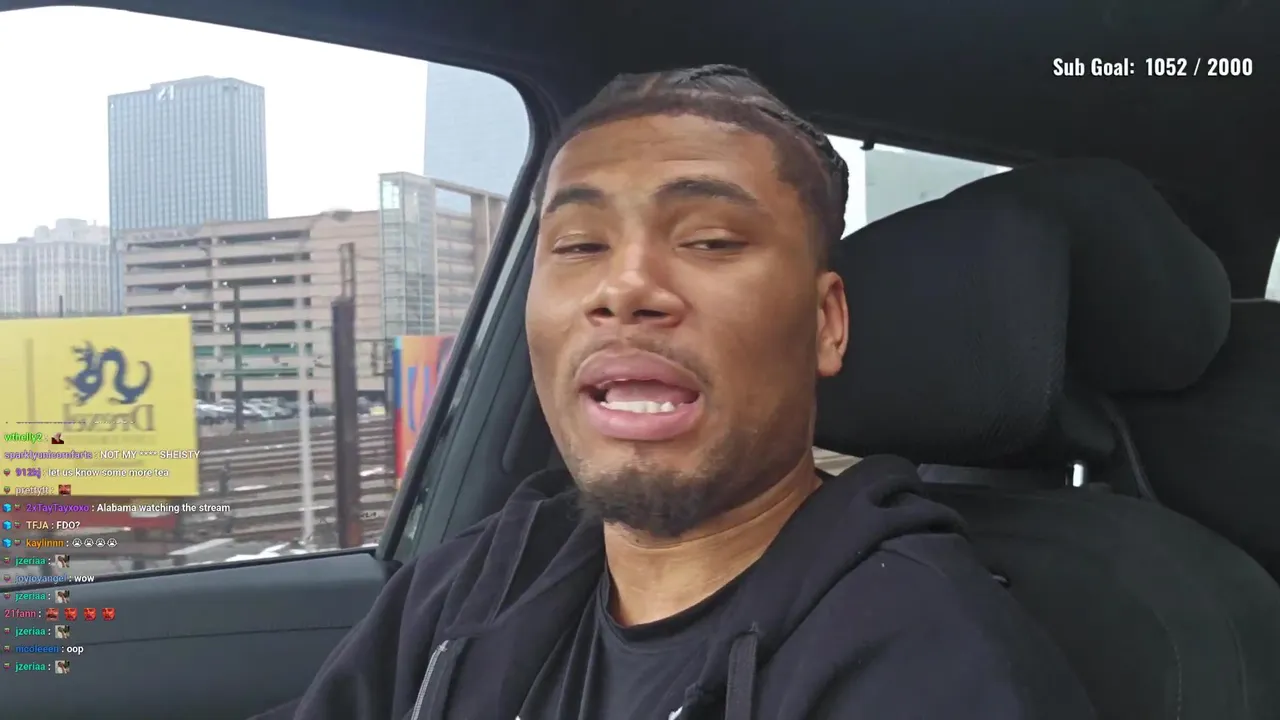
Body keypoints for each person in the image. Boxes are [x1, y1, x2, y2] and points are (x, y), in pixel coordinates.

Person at [251, 65, 1094, 720]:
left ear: (826, 325)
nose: (624, 288)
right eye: (578, 246)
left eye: (711, 239)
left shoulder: (927, 664)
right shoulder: (480, 579)